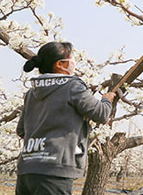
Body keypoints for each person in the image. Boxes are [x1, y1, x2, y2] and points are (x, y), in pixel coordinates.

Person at [15, 42, 115, 195]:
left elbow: (21, 130)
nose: (74, 61)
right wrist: (107, 100)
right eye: (71, 57)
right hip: (55, 170)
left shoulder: (31, 93)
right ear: (60, 64)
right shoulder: (73, 86)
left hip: (27, 170)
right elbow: (101, 114)